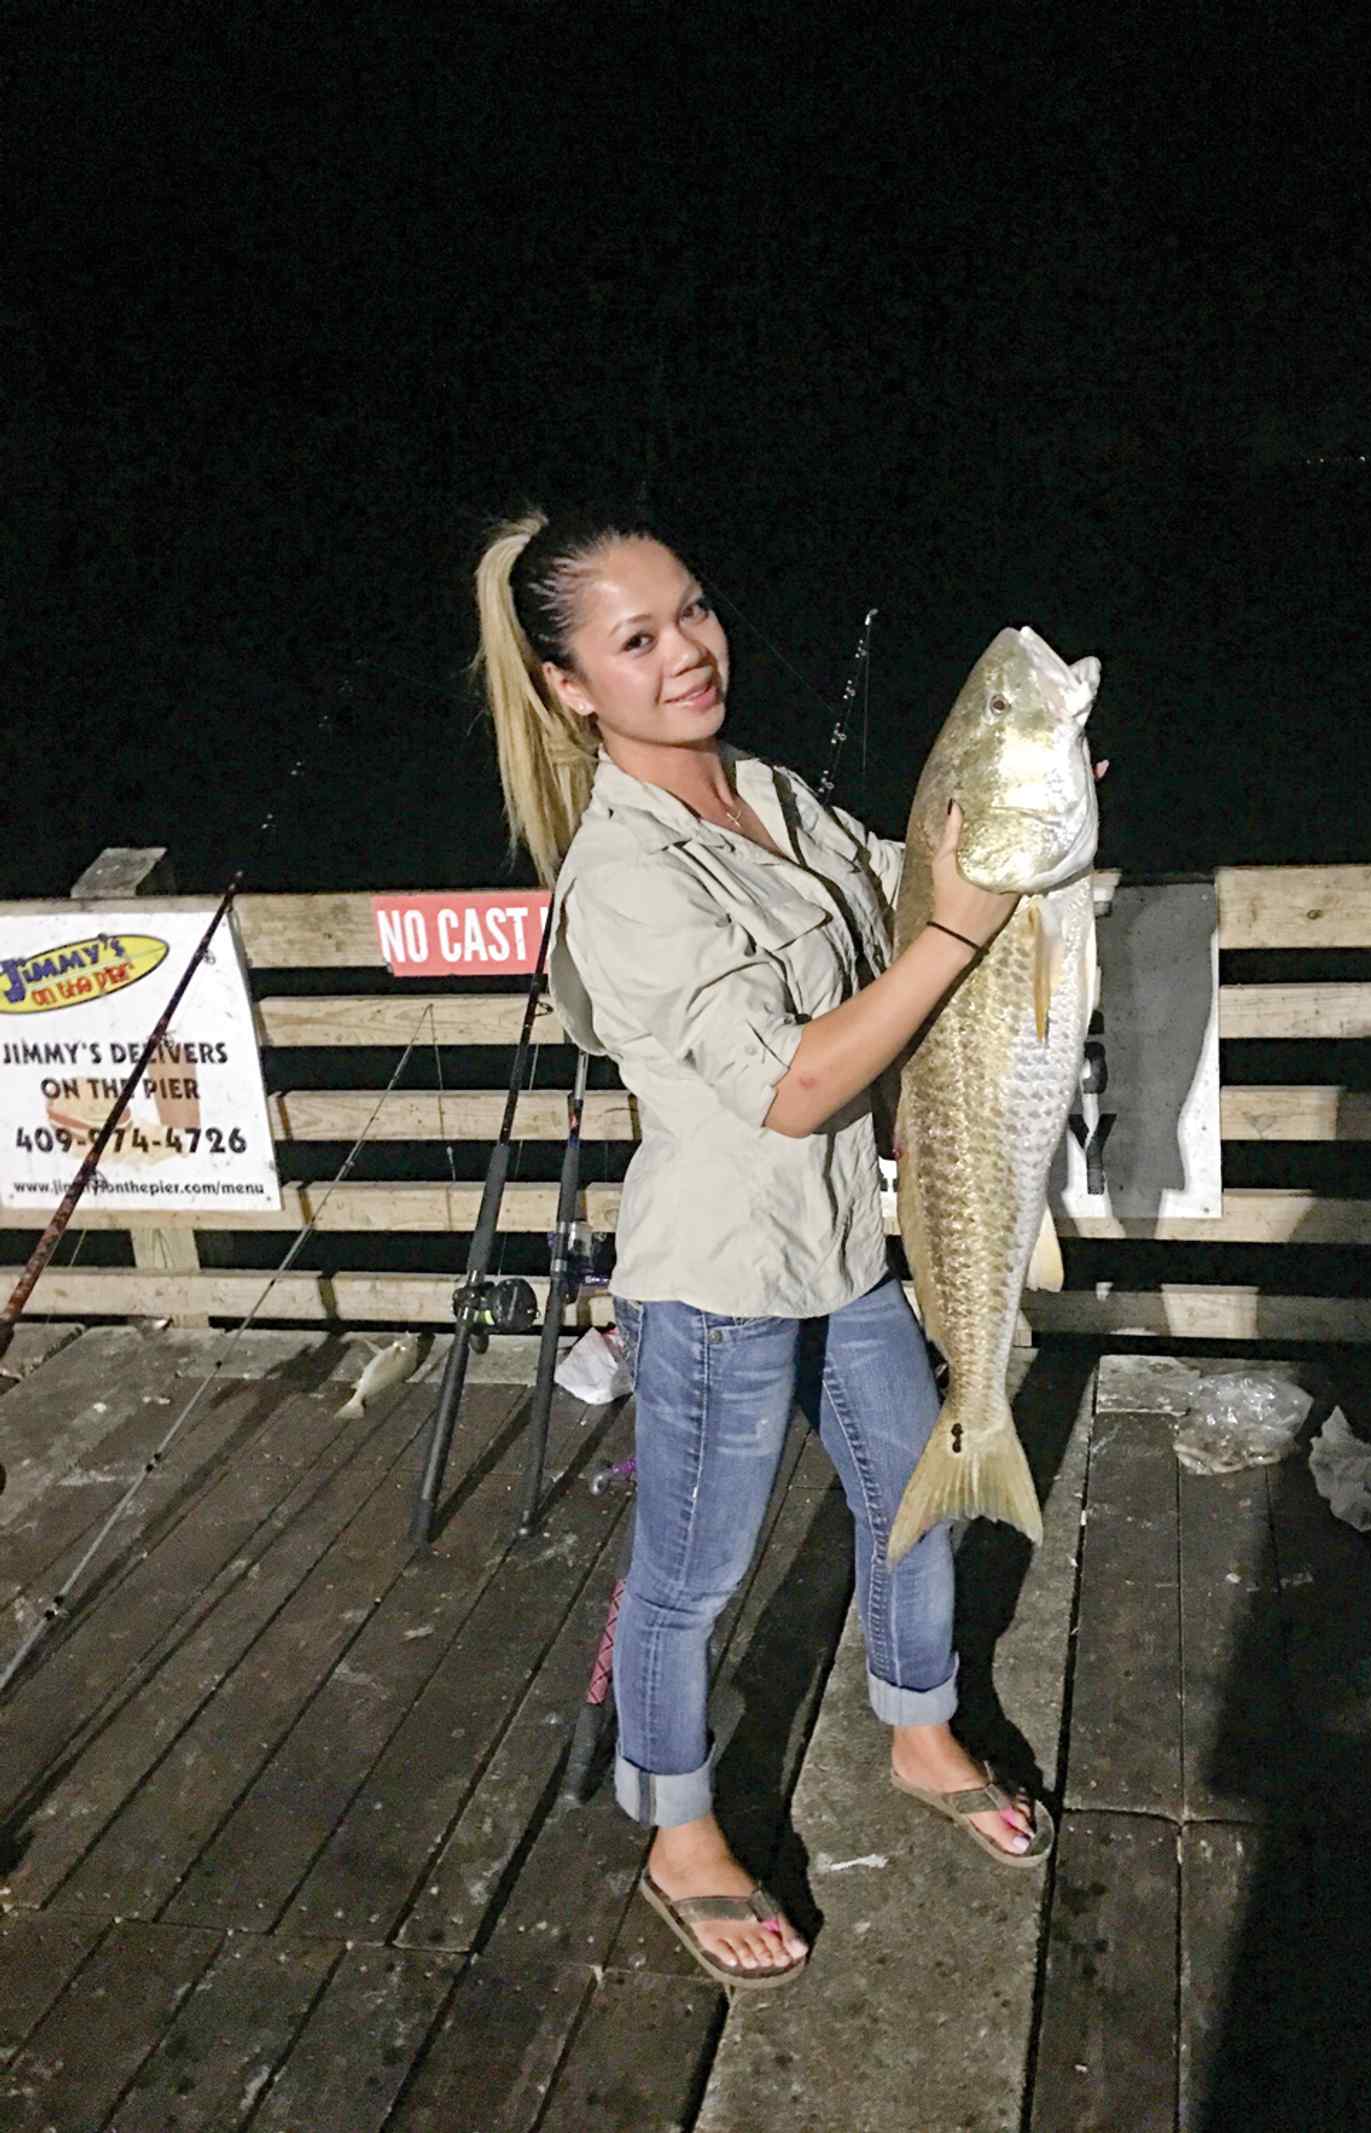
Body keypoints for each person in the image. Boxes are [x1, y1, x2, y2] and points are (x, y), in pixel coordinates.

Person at [473, 505, 1055, 1991]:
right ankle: (679, 1832)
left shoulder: (769, 794)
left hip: (845, 1239)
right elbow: (793, 1083)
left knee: (920, 1487)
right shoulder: (624, 873)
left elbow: (923, 879)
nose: (688, 651)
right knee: (694, 1571)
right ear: (569, 687)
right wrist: (961, 938)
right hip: (720, 1276)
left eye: (694, 610)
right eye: (637, 639)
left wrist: (1021, 820)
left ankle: (920, 1725)